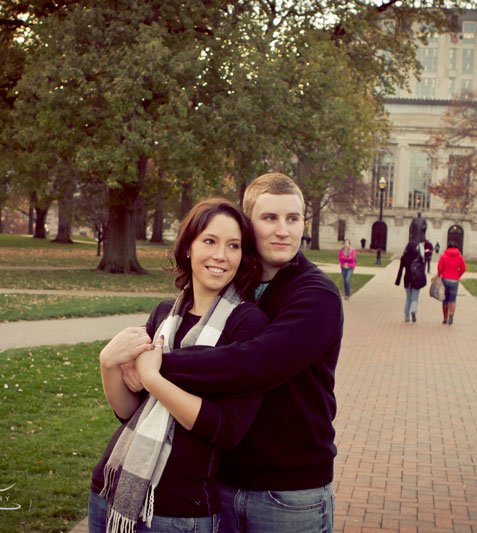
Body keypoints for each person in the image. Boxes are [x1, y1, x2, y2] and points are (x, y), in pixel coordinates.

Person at [123, 173, 342, 533]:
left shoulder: (317, 295)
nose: (284, 230)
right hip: (221, 482)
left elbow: (256, 363)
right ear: (247, 223)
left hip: (288, 491)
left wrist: (158, 365)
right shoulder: (235, 287)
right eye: (270, 218)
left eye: (294, 218)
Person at [90, 199, 269, 533]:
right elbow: (129, 411)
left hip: (181, 511)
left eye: (233, 246)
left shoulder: (247, 324)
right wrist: (107, 364)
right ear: (188, 247)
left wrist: (152, 378)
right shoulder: (163, 315)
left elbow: (228, 430)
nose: (221, 255)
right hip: (111, 492)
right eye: (210, 241)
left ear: (243, 256)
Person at [396, 242, 427, 323]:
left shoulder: (404, 257)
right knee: (415, 298)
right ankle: (413, 311)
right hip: (416, 279)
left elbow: (400, 270)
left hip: (407, 279)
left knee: (408, 299)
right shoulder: (418, 257)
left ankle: (406, 317)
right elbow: (423, 266)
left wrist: (397, 281)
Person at [437, 244, 467, 325]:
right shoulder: (460, 257)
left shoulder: (443, 256)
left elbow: (440, 268)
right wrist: (458, 275)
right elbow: (464, 268)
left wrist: (440, 274)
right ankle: (451, 315)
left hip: (445, 279)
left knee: (445, 299)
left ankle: (445, 318)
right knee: (453, 299)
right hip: (455, 280)